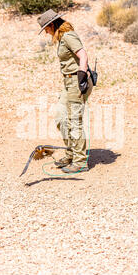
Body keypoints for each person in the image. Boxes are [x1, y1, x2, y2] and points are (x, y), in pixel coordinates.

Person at [37, 9, 93, 173]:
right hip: (68, 82)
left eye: (46, 29)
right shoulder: (61, 38)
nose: (46, 32)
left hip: (77, 82)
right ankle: (71, 153)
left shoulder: (68, 36)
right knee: (61, 117)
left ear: (52, 25)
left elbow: (83, 55)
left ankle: (80, 162)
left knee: (75, 121)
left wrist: (82, 77)